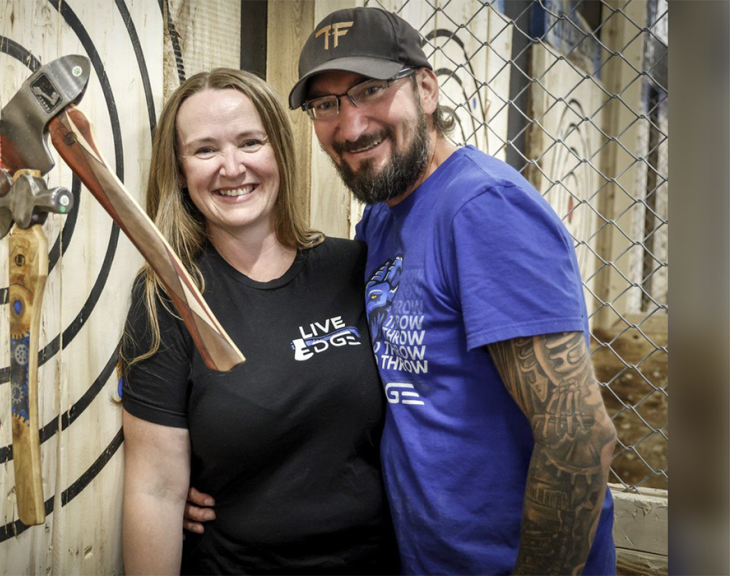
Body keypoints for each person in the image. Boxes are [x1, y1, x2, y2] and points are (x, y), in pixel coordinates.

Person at [185, 7, 619, 576]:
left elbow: (578, 436)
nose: (351, 124)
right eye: (326, 105)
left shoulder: (485, 210)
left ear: (426, 88)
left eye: (370, 90)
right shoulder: (382, 224)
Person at [119, 68, 399, 575]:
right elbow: (155, 489)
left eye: (250, 142)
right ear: (180, 169)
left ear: (279, 152)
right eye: (205, 150)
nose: (232, 167)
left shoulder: (354, 268)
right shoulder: (170, 297)